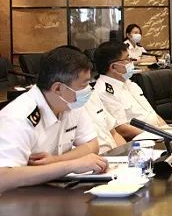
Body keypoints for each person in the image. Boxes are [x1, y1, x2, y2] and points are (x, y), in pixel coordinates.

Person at [0, 47, 108, 192]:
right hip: (18, 200)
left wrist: (56, 161)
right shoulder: (18, 117)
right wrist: (70, 165)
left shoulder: (70, 103)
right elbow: (4, 177)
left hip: (54, 191)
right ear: (58, 88)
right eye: (83, 85)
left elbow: (92, 145)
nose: (88, 90)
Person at [94, 41, 167, 139]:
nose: (131, 62)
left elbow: (152, 114)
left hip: (157, 135)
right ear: (113, 67)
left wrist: (169, 131)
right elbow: (121, 129)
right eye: (128, 59)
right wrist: (156, 136)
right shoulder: (104, 91)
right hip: (140, 140)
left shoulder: (129, 83)